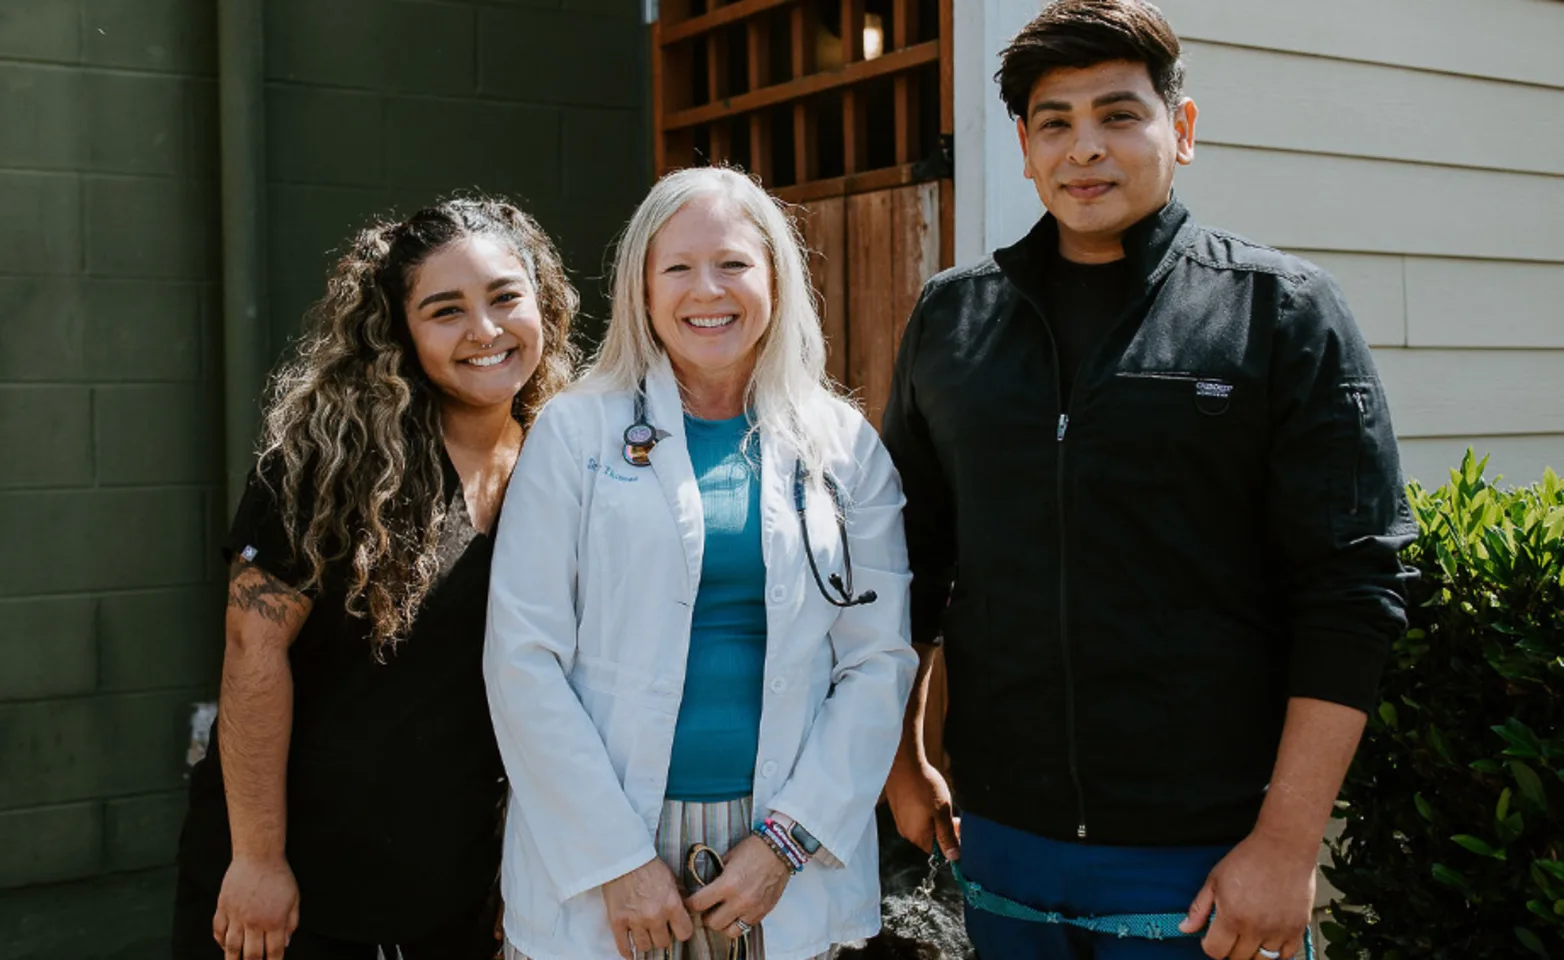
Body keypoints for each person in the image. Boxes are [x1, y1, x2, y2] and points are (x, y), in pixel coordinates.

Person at [880, 3, 1416, 959]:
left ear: (1183, 129)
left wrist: (1288, 845)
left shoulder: (1282, 313)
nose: (1085, 147)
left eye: (1119, 115)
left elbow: (1352, 590)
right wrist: (903, 760)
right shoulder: (951, 323)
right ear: (1024, 146)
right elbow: (910, 562)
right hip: (1000, 840)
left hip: (1206, 858)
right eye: (1056, 122)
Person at [484, 166, 917, 960]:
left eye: (732, 264)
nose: (705, 290)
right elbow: (522, 660)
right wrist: (616, 860)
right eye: (677, 268)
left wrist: (786, 843)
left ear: (776, 279)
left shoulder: (844, 448)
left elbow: (877, 661)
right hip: (607, 841)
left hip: (776, 845)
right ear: (642, 290)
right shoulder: (574, 435)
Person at [172, 197, 579, 960]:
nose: (485, 331)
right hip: (297, 885)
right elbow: (251, 654)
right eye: (445, 310)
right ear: (400, 332)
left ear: (543, 302)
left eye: (504, 297)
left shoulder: (566, 460)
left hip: (455, 885)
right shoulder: (326, 462)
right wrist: (258, 859)